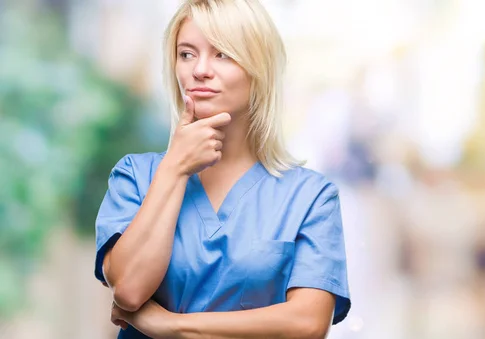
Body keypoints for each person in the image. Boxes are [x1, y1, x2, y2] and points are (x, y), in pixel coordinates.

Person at [93, 1, 351, 338]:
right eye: (186, 54)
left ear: (258, 68)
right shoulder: (134, 177)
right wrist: (175, 168)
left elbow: (307, 324)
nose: (199, 70)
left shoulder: (311, 197)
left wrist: (172, 326)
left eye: (222, 54)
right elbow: (128, 290)